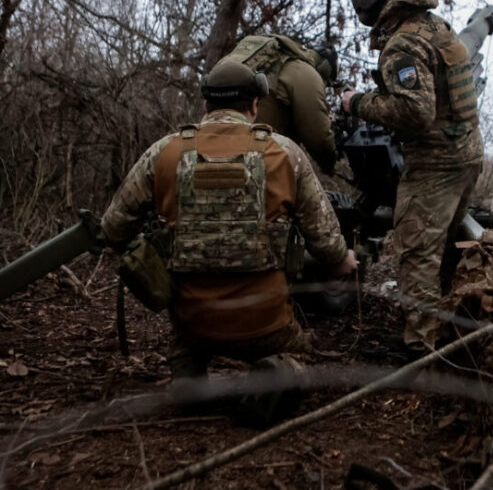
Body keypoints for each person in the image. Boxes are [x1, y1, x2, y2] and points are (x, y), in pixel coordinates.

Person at [101, 59, 357, 382]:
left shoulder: (164, 153)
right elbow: (326, 241)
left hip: (192, 322)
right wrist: (343, 259)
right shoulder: (285, 153)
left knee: (186, 341)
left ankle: (188, 372)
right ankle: (279, 371)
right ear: (254, 105)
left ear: (206, 104)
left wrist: (148, 257)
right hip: (266, 324)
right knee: (300, 353)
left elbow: (112, 229)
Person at [342, 0, 483, 351]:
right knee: (449, 245)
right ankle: (454, 328)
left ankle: (423, 347)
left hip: (434, 163)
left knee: (417, 252)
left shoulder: (402, 44)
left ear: (371, 8)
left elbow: (416, 112)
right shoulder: (436, 27)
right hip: (466, 153)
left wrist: (358, 102)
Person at [246, 34, 339, 175]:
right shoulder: (306, 73)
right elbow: (319, 137)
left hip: (219, 143)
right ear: (325, 70)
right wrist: (330, 164)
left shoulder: (274, 61)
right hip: (258, 159)